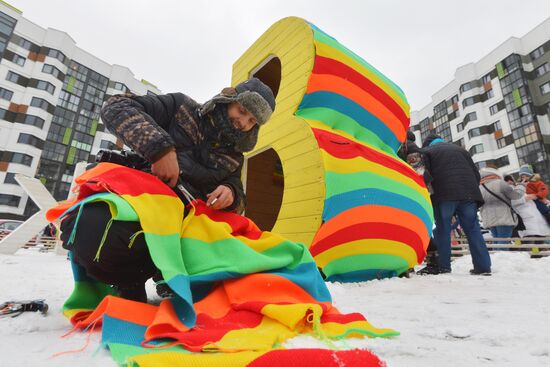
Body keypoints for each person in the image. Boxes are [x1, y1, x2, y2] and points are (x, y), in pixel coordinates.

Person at [59, 78, 276, 301]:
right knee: (90, 226)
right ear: (228, 99)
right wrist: (160, 149)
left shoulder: (235, 158)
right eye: (241, 110)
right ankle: (129, 279)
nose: (242, 122)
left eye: (251, 121)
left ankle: (172, 278)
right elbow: (116, 107)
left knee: (247, 255)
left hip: (186, 230)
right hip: (143, 206)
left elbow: (239, 197)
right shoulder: (181, 107)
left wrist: (231, 193)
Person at [421, 134, 492, 275]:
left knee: (443, 230)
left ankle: (444, 266)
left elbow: (424, 175)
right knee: (473, 229)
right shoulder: (462, 151)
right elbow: (475, 174)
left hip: (444, 195)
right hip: (469, 195)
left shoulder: (427, 152)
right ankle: (483, 267)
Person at [478, 167, 523, 248]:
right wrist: (521, 186)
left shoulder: (479, 187)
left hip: (489, 219)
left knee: (497, 241)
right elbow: (516, 195)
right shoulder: (500, 183)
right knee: (504, 242)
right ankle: (501, 259)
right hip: (503, 217)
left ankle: (496, 259)